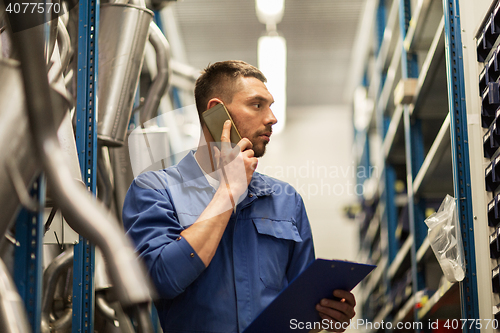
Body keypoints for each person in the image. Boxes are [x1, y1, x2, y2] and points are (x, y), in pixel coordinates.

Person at [122, 60, 356, 333]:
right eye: (257, 105)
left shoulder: (286, 199)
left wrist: (324, 318)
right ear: (216, 113)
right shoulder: (154, 189)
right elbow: (162, 280)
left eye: (270, 106)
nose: (272, 118)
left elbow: (301, 313)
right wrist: (228, 192)